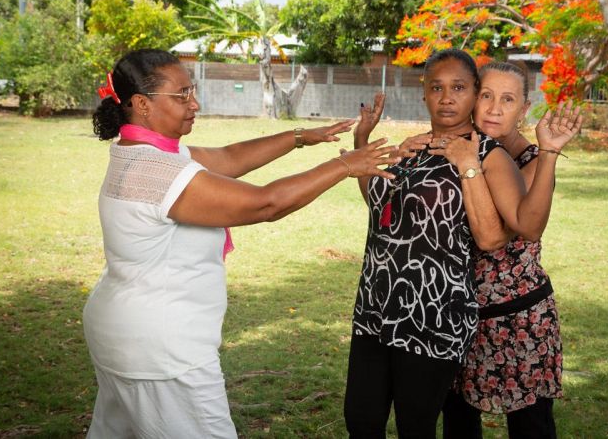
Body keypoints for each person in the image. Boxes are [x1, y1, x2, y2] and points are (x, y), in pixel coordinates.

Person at [82, 48, 401, 438]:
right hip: (162, 350)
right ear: (142, 105)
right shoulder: (157, 170)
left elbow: (230, 158)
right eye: (181, 95)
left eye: (192, 91)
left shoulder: (142, 153)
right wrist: (345, 164)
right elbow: (264, 204)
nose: (194, 103)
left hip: (123, 333)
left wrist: (300, 136)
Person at [344, 48, 578, 439]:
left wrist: (538, 153)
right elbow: (384, 209)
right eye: (437, 87)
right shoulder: (419, 148)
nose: (448, 97)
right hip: (383, 309)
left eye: (460, 88)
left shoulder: (489, 154)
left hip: (458, 314)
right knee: (377, 422)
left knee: (521, 424)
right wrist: (363, 142)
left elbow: (503, 233)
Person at [442, 62, 581, 439]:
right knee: (457, 423)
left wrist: (550, 153)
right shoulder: (456, 151)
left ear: (524, 108)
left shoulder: (534, 161)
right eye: (486, 95)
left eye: (507, 99)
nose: (494, 108)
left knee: (531, 428)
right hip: (460, 316)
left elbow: (522, 226)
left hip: (520, 319)